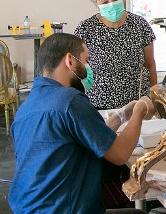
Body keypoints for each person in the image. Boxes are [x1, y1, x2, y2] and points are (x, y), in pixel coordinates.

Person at [8, 33, 155, 213]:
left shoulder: (26, 107)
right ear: (70, 60)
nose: (88, 68)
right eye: (86, 61)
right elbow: (119, 154)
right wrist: (140, 111)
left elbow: (90, 136)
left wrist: (122, 115)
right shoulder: (70, 100)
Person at [75, 0, 157, 109]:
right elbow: (78, 69)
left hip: (137, 104)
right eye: (104, 1)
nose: (111, 4)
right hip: (98, 105)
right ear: (96, 4)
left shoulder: (140, 24)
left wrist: (155, 96)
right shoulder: (85, 29)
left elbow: (150, 64)